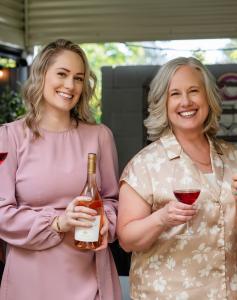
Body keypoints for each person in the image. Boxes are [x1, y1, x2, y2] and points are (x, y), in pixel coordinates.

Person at [0, 39, 121, 300]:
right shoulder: (9, 137)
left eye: (79, 78)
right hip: (30, 280)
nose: (70, 86)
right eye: (62, 74)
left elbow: (112, 200)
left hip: (90, 275)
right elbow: (1, 212)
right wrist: (58, 223)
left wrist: (106, 224)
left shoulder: (99, 136)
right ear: (41, 75)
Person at [117, 57, 237, 299]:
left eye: (194, 91)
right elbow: (127, 240)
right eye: (175, 94)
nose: (186, 102)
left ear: (208, 98)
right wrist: (161, 218)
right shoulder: (144, 165)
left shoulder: (233, 158)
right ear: (163, 102)